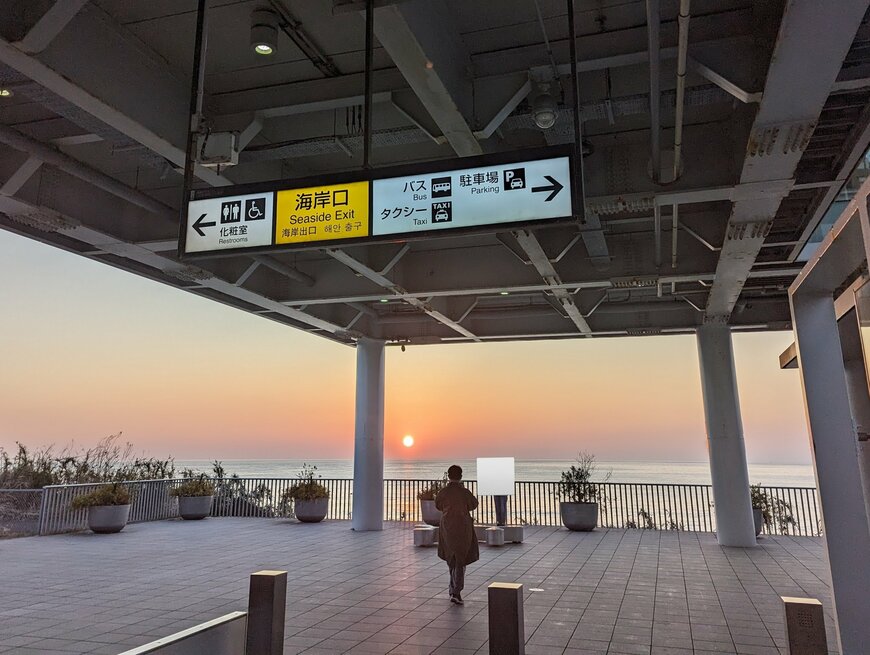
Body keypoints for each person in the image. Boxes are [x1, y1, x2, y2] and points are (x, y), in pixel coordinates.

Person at [435, 464, 479, 605]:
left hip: (447, 526)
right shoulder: (464, 492)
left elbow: (438, 505)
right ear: (460, 476)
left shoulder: (444, 492)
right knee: (460, 558)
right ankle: (456, 591)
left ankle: (452, 588)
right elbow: (474, 504)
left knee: (451, 557)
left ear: (449, 476)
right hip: (462, 527)